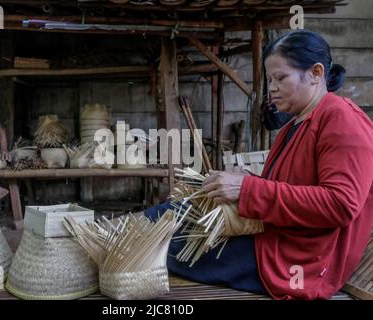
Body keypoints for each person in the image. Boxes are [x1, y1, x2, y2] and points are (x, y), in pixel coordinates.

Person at [147, 30, 373, 299]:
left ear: (315, 72)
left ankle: (112, 241)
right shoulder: (296, 123)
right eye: (270, 80)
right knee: (174, 212)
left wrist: (247, 189)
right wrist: (245, 181)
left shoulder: (342, 118)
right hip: (273, 235)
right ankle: (107, 232)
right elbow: (288, 186)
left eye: (281, 78)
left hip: (297, 259)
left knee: (167, 245)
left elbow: (340, 204)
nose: (272, 88)